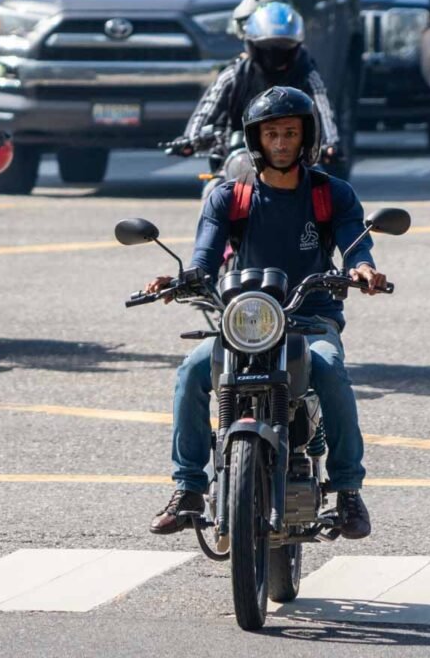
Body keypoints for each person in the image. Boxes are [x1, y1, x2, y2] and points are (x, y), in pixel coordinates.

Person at [145, 86, 387, 540]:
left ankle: (348, 491)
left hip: (310, 318)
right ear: (255, 139)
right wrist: (180, 279)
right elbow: (205, 258)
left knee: (329, 369)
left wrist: (362, 269)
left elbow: (356, 243)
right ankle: (189, 488)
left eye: (290, 133)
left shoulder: (331, 194)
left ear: (306, 137)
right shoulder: (229, 197)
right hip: (246, 321)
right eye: (271, 133)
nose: (280, 143)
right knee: (192, 371)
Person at [179, 1, 341, 167]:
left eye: (283, 48)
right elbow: (208, 107)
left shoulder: (308, 75)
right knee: (216, 182)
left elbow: (324, 110)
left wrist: (330, 144)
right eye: (268, 48)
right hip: (239, 159)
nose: (275, 55)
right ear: (252, 45)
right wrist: (190, 139)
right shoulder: (235, 74)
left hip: (294, 161)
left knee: (318, 178)